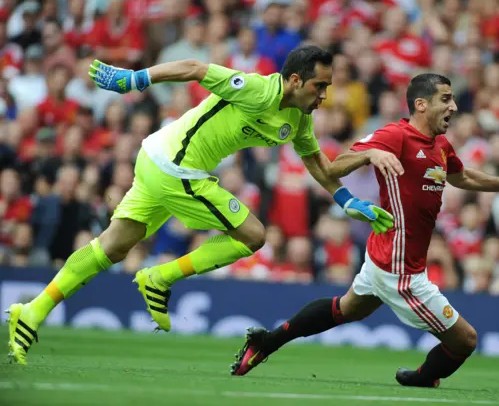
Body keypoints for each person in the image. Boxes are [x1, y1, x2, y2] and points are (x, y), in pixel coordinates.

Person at [5, 46, 396, 366]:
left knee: (114, 245)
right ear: (295, 80)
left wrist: (348, 200)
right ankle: (160, 278)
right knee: (253, 235)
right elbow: (194, 68)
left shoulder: (298, 120)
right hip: (175, 166)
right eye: (319, 85)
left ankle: (32, 311)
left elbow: (320, 166)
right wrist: (134, 79)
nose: (324, 95)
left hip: (158, 159)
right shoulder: (258, 89)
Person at [230, 73, 499, 387]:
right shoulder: (396, 136)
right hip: (398, 268)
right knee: (465, 340)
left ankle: (266, 342)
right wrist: (371, 153)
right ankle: (422, 378)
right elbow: (335, 166)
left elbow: (463, 177)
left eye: (454, 99)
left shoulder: (440, 145)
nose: (454, 107)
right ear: (421, 104)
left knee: (345, 309)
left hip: (383, 252)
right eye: (446, 99)